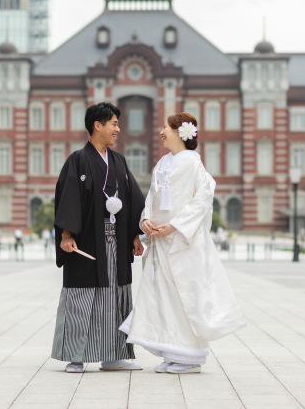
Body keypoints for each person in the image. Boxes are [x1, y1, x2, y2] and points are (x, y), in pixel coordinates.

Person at [120, 113, 246, 375]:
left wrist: (175, 226)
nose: (161, 132)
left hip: (181, 241)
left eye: (165, 127)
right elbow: (151, 199)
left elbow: (202, 198)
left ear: (180, 132)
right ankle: (173, 352)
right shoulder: (162, 163)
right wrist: (145, 221)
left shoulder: (193, 163)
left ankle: (189, 356)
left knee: (184, 297)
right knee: (164, 298)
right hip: (160, 241)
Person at [51, 102, 146, 373]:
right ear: (97, 125)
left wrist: (134, 236)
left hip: (115, 241)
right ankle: (75, 356)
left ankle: (114, 354)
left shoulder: (119, 161)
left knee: (116, 297)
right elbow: (68, 198)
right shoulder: (78, 160)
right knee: (82, 297)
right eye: (114, 123)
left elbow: (131, 200)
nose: (118, 128)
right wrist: (66, 234)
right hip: (87, 243)